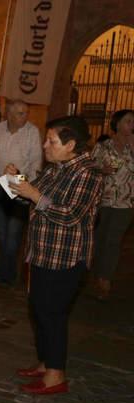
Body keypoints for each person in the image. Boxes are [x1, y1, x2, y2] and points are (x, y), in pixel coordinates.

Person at [9, 116, 103, 395]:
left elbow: (70, 214)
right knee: (39, 309)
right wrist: (11, 179)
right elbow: (28, 197)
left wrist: (33, 194)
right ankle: (45, 362)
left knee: (53, 313)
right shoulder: (56, 169)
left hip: (66, 256)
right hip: (42, 252)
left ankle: (56, 375)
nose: (45, 145)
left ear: (71, 144)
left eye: (51, 141)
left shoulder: (88, 173)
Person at [0, 100, 42, 286]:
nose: (24, 116)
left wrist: (25, 183)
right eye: (20, 113)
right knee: (2, 233)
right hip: (1, 183)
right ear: (8, 114)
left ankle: (5, 274)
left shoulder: (32, 132)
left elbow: (36, 162)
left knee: (14, 233)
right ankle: (5, 270)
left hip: (21, 184)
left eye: (26, 112)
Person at [90, 109, 134, 299]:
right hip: (104, 199)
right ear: (117, 124)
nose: (131, 125)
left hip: (126, 200)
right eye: (128, 121)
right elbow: (90, 168)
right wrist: (102, 169)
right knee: (100, 238)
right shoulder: (103, 146)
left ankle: (105, 280)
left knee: (113, 240)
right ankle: (97, 272)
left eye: (133, 122)